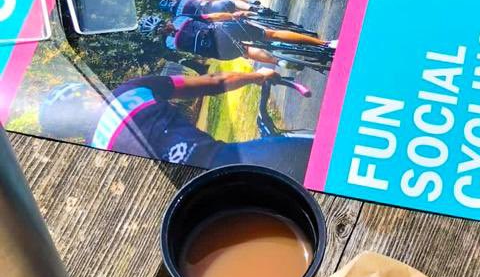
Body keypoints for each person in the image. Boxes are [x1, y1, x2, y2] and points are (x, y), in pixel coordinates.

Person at [38, 72, 313, 181]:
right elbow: (215, 81)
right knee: (323, 157)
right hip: (224, 162)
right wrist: (257, 75)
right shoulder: (127, 92)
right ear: (86, 94)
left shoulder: (94, 161)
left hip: (192, 208)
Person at [138, 13, 335, 67]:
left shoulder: (170, 45)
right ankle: (325, 44)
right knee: (269, 34)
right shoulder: (180, 18)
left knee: (246, 52)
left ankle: (278, 62)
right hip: (224, 32)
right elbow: (213, 17)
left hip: (220, 52)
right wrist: (234, 14)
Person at [159, 0, 276, 19]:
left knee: (238, 17)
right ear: (172, 0)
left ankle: (251, 16)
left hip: (212, 20)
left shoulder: (178, 18)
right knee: (233, 3)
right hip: (213, 6)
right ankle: (254, 9)